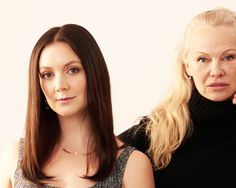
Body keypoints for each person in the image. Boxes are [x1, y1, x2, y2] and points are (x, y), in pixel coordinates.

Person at [119, 8, 236, 188]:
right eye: (203, 59)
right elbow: (91, 162)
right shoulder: (157, 132)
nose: (216, 71)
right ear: (187, 65)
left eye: (229, 57)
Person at [0, 24, 154, 188]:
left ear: (94, 74)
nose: (60, 85)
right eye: (47, 74)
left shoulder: (132, 166)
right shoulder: (16, 158)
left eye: (72, 70)